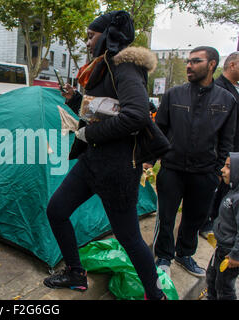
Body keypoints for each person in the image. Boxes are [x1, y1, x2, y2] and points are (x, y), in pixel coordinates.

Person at [42, 11, 167, 300]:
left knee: (128, 237)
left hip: (118, 169)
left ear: (109, 34)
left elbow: (136, 115)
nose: (87, 42)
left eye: (90, 36)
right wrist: (75, 99)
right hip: (92, 162)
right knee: (57, 210)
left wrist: (89, 135)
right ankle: (76, 273)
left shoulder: (126, 66)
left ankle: (154, 295)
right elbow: (103, 109)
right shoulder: (103, 66)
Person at [149, 46, 237, 278]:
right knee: (166, 216)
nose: (189, 65)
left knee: (194, 217)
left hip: (205, 173)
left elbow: (227, 140)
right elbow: (160, 131)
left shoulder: (227, 100)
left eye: (196, 61)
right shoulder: (173, 95)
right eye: (188, 61)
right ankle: (164, 257)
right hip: (172, 169)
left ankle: (184, 254)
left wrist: (217, 171)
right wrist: (150, 161)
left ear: (211, 65)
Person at [200, 52, 239, 238]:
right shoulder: (218, 89)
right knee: (216, 186)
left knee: (227, 187)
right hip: (220, 150)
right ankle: (206, 221)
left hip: (231, 147)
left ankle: (219, 220)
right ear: (232, 65)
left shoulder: (234, 89)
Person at [206, 153, 239, 300]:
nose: (222, 170)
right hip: (221, 248)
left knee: (224, 288)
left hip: (230, 253)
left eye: (228, 167)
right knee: (212, 278)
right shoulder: (232, 191)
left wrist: (236, 255)